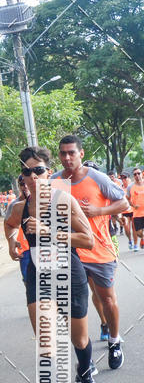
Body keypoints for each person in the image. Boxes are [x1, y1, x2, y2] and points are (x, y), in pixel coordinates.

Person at [6, 147, 98, 383]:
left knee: (78, 338)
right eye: (26, 172)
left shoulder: (63, 201)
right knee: (47, 344)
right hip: (38, 275)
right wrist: (11, 242)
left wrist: (49, 231)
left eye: (38, 170)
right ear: (22, 177)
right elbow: (9, 225)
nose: (32, 176)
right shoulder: (19, 208)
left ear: (49, 173)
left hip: (69, 272)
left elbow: (89, 240)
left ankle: (84, 369)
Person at [54, 136, 129, 368]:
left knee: (106, 298)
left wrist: (99, 210)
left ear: (81, 154)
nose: (67, 158)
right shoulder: (55, 182)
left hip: (99, 250)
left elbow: (124, 203)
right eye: (63, 153)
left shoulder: (97, 178)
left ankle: (114, 342)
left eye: (71, 153)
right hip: (70, 253)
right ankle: (85, 359)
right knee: (76, 305)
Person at [4, 174, 31, 283]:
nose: (25, 187)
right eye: (22, 184)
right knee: (29, 283)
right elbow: (8, 225)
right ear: (19, 186)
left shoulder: (43, 201)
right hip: (24, 250)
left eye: (27, 183)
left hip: (43, 249)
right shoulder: (14, 205)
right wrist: (11, 244)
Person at [126, 167, 144, 251]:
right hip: (137, 213)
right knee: (138, 233)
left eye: (138, 173)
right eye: (135, 174)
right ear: (133, 176)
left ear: (142, 174)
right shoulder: (130, 187)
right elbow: (127, 199)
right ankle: (142, 238)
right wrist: (132, 205)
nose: (137, 175)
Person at [119, 172, 134, 249]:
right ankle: (130, 240)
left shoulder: (133, 186)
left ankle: (138, 241)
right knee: (127, 229)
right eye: (122, 178)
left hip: (134, 211)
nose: (123, 180)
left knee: (136, 229)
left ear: (129, 178)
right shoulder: (120, 189)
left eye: (125, 178)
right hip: (125, 211)